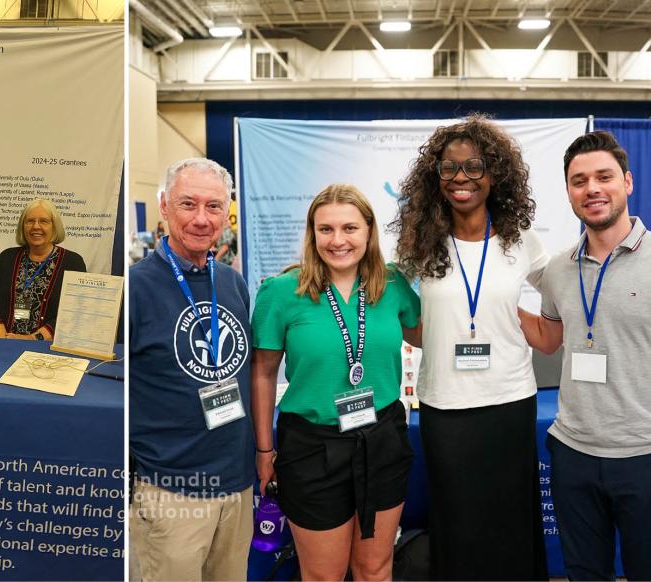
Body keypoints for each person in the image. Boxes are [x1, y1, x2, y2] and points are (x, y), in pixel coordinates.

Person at [389, 115, 548, 580]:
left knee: (511, 516)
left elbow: (561, 295)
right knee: (457, 519)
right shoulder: (418, 246)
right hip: (445, 404)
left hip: (510, 399)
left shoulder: (522, 242)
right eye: (449, 169)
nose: (461, 178)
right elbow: (406, 320)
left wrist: (514, 321)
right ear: (434, 178)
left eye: (475, 166)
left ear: (495, 173)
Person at [250, 184, 420, 581]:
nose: (338, 240)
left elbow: (426, 334)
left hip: (382, 439)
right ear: (312, 234)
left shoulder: (392, 285)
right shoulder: (281, 292)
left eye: (350, 228)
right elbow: (262, 373)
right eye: (325, 229)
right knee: (323, 575)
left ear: (368, 231)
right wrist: (263, 449)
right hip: (312, 448)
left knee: (375, 568)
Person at [518, 132, 651, 580]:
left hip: (643, 453)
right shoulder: (559, 269)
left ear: (628, 183)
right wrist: (494, 304)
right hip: (573, 451)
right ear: (569, 193)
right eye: (579, 181)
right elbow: (549, 339)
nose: (592, 189)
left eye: (603, 177)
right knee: (584, 572)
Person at [129, 157, 254, 581]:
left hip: (236, 485)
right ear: (164, 206)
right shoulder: (136, 287)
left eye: (214, 206)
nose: (202, 219)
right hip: (171, 489)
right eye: (188, 204)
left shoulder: (233, 283)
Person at [0, 199, 87, 339]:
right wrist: (3, 337)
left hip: (47, 348)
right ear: (22, 226)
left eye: (44, 221)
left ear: (55, 227)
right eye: (30, 221)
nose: (36, 226)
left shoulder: (73, 263)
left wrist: (33, 338)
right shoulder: (6, 258)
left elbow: (74, 311)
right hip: (2, 342)